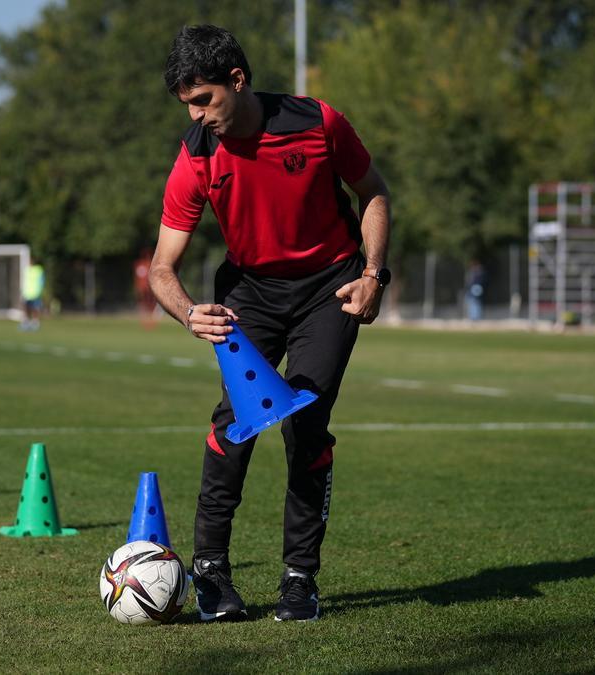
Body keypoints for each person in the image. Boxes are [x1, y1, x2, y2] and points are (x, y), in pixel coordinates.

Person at [150, 25, 391, 623]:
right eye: (188, 105)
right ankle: (211, 575)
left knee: (306, 425)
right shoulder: (196, 156)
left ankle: (298, 580)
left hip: (327, 290)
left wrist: (374, 274)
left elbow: (375, 193)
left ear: (238, 81)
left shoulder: (318, 123)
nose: (198, 115)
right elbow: (161, 267)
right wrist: (188, 313)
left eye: (204, 99)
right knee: (236, 426)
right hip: (248, 295)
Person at [133, 249, 157, 329]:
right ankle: (144, 319)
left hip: (149, 288)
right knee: (144, 304)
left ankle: (151, 320)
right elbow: (138, 278)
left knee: (150, 304)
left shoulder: (149, 264)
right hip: (142, 288)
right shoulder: (140, 264)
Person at [21, 259, 45, 331]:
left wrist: (40, 290)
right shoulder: (26, 270)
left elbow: (42, 280)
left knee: (35, 308)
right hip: (27, 293)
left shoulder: (38, 270)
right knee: (26, 308)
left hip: (35, 293)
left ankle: (35, 323)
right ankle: (26, 322)